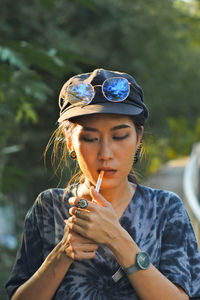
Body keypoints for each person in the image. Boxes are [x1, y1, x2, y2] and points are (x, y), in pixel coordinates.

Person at [5, 68, 200, 300]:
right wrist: (62, 253)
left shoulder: (166, 209)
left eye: (119, 137)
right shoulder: (47, 208)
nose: (106, 153)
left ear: (138, 139)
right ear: (70, 143)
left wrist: (117, 238)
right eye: (90, 138)